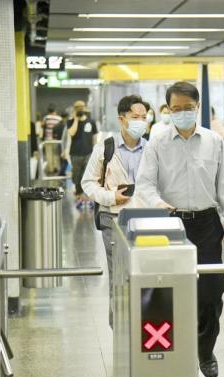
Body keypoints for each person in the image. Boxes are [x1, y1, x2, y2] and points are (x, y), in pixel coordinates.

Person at [135, 81, 224, 377]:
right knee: (168, 292)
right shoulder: (157, 141)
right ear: (168, 110)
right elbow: (144, 182)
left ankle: (205, 351)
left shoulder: (214, 142)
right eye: (175, 109)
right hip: (171, 224)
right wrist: (159, 205)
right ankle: (171, 349)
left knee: (210, 294)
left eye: (187, 108)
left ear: (197, 107)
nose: (181, 113)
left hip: (207, 224)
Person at [82, 94, 148, 329]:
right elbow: (88, 183)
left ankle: (144, 326)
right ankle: (120, 330)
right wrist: (111, 197)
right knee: (118, 276)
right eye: (135, 117)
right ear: (122, 119)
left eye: (144, 117)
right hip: (114, 218)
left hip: (145, 218)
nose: (140, 121)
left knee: (145, 273)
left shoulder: (152, 149)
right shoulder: (105, 148)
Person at [67, 100, 98, 209]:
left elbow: (95, 137)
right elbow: (71, 133)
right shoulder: (71, 122)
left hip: (88, 152)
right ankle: (80, 196)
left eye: (82, 107)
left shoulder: (91, 122)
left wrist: (96, 151)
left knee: (88, 176)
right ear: (75, 109)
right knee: (77, 175)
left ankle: (89, 198)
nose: (80, 109)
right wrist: (76, 119)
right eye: (78, 107)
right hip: (75, 153)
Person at [41, 104, 61, 174]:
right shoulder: (59, 118)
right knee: (56, 154)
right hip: (56, 139)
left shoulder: (46, 118)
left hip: (48, 139)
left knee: (49, 154)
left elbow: (42, 125)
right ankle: (56, 166)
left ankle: (51, 169)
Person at [52, 111, 69, 177]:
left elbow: (53, 134)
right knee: (66, 159)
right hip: (65, 144)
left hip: (58, 143)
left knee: (61, 159)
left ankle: (61, 171)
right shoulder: (67, 125)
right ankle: (62, 172)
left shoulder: (57, 125)